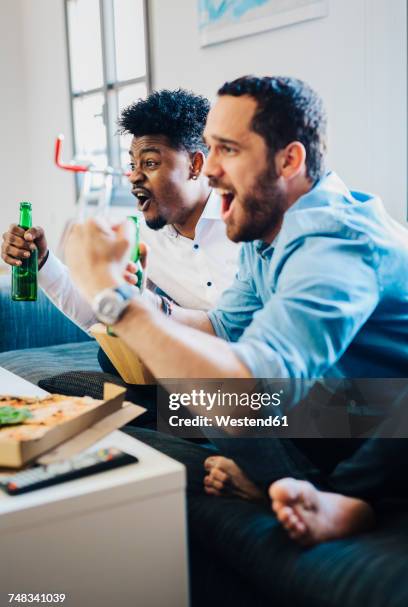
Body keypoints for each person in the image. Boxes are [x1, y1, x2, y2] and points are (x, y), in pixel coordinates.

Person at [65, 76, 408, 544]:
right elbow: (220, 327)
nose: (209, 171)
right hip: (336, 405)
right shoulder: (263, 225)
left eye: (228, 150)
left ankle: (340, 496)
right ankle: (290, 482)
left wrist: (116, 301)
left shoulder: (335, 239)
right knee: (140, 393)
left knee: (217, 396)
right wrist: (141, 298)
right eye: (210, 149)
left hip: (380, 419)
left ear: (289, 159)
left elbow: (245, 391)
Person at [1, 88, 239, 337]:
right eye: (132, 165)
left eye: (150, 163)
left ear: (195, 165)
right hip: (193, 362)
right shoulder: (141, 236)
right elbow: (103, 314)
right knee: (113, 354)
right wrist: (42, 261)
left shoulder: (247, 222)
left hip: (259, 363)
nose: (134, 176)